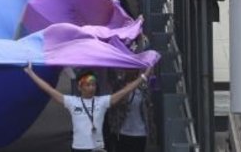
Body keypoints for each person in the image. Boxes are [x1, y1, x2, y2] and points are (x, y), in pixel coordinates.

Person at [23, 63, 151, 152]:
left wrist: (143, 76)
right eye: (87, 85)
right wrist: (31, 73)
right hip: (78, 148)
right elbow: (49, 90)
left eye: (93, 85)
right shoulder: (72, 102)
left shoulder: (102, 102)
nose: (91, 87)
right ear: (80, 87)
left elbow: (124, 91)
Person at [105, 70, 154, 152]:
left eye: (133, 69)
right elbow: (113, 106)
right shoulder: (119, 86)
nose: (130, 71)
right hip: (122, 131)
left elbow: (148, 108)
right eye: (128, 69)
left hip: (140, 132)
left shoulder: (143, 87)